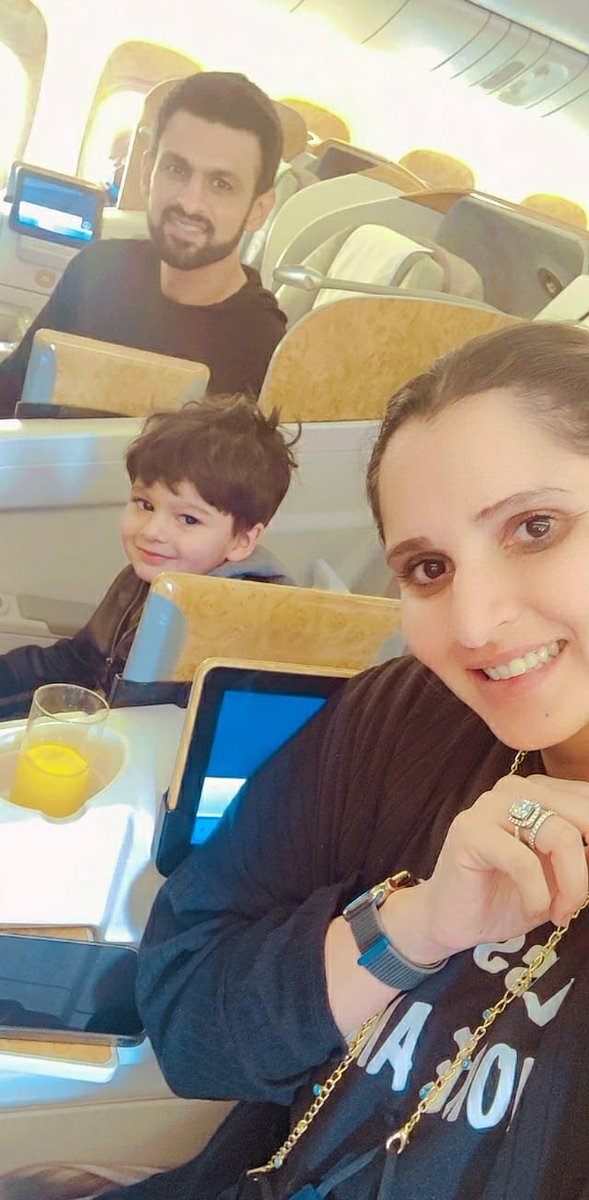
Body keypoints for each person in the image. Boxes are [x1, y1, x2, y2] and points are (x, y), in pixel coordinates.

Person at [8, 320, 589, 1200]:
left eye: (534, 527)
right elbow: (189, 1013)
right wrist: (414, 927)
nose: (473, 624)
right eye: (428, 567)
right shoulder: (405, 716)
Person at [0, 73, 287, 415]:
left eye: (221, 184)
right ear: (147, 172)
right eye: (176, 169)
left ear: (258, 209)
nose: (189, 202)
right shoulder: (98, 269)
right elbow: (10, 389)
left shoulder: (265, 349)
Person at [0, 395, 297, 719]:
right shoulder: (144, 578)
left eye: (188, 519)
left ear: (242, 541)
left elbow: (166, 727)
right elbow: (78, 660)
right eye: (145, 504)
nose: (152, 531)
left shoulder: (238, 626)